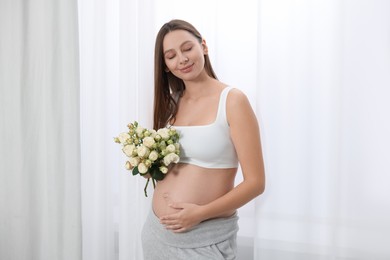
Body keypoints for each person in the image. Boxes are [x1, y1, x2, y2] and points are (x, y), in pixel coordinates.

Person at [141, 19, 265, 260]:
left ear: (203, 47)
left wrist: (200, 213)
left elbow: (256, 183)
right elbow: (174, 168)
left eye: (187, 48)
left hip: (204, 238)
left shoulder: (232, 101)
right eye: (171, 55)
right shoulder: (171, 104)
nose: (183, 59)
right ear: (165, 65)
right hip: (157, 233)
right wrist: (149, 168)